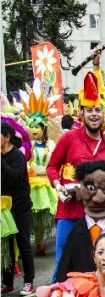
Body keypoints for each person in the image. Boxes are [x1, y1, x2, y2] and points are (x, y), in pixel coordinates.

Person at [47, 72, 105, 282]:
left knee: (94, 265)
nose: (94, 114)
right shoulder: (69, 139)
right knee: (63, 265)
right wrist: (58, 186)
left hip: (100, 216)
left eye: (98, 110)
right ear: (82, 113)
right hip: (69, 213)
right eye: (90, 110)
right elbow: (52, 166)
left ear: (103, 114)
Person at [56, 160, 105, 283]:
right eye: (91, 188)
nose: (99, 198)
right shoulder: (74, 234)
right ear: (79, 192)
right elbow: (63, 275)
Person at [17, 84, 60, 256]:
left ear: (44, 127)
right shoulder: (26, 147)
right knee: (31, 217)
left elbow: (55, 162)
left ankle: (42, 241)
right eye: (31, 126)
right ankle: (24, 243)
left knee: (45, 216)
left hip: (46, 184)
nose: (34, 129)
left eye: (37, 126)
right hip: (31, 183)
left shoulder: (51, 145)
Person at [1, 121, 34, 295]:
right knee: (6, 246)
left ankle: (29, 281)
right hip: (4, 209)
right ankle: (7, 283)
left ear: (6, 137)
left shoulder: (17, 156)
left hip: (20, 207)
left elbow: (14, 178)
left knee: (23, 244)